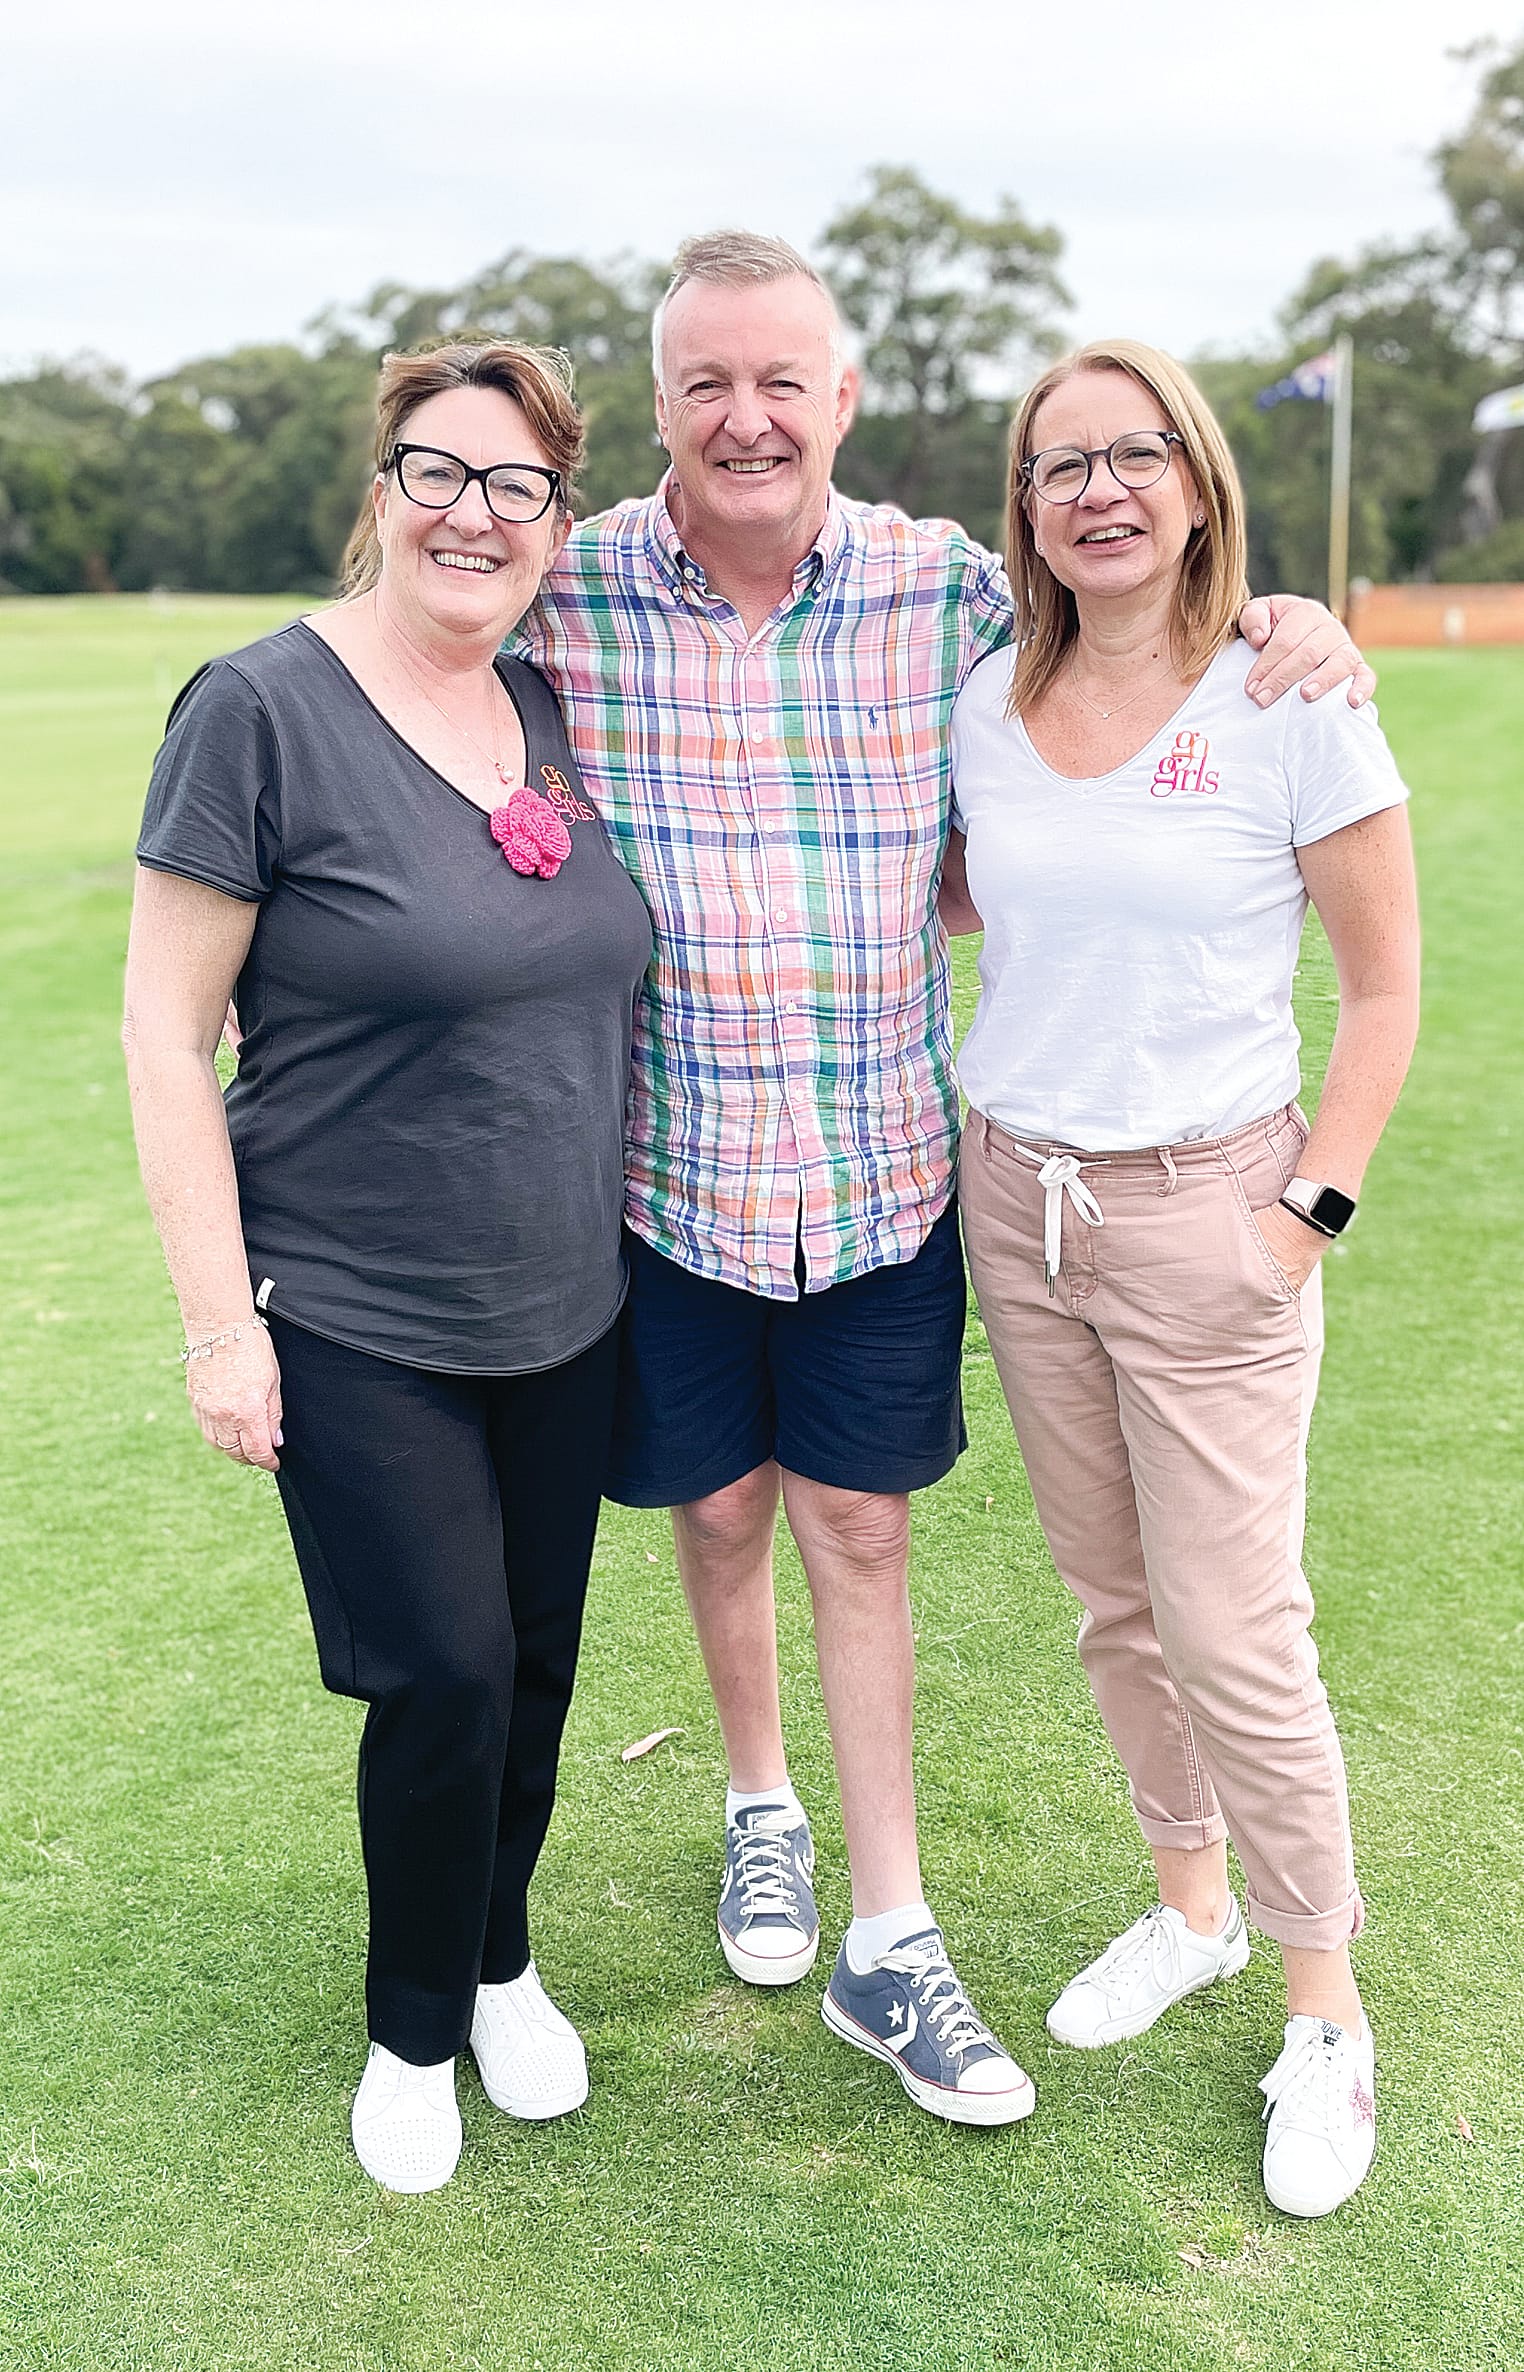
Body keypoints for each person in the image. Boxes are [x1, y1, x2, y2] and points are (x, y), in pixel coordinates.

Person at [515, 233, 1378, 2127]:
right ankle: (764, 1808)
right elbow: (403, 637)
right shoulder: (561, 594)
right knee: (724, 1511)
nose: (746, 418)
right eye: (704, 386)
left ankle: (893, 1942)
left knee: (869, 1530)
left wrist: (1279, 622)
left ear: (840, 398)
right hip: (667, 1172)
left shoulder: (940, 592)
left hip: (892, 1167)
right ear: (662, 408)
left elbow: (1131, 611)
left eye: (783, 383)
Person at [123, 341, 654, 2193]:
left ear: (553, 525)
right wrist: (217, 1328)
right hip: (352, 1310)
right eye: (441, 472)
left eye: (517, 488)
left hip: (566, 1303)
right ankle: (416, 2024)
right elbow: (162, 1031)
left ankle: (501, 1953)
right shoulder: (259, 708)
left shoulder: (549, 704)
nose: (475, 515)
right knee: (437, 1671)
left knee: (535, 1664)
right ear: (382, 488)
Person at [944, 339, 1419, 2211]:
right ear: (1029, 509)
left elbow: (1381, 987)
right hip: (1018, 1202)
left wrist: (1309, 1215)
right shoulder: (991, 696)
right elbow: (982, 892)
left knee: (1236, 1625)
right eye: (1063, 466)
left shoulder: (1293, 694)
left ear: (1199, 484)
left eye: (1135, 456)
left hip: (1209, 1209)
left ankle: (1327, 2012)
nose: (1099, 491)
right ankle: (1193, 1910)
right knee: (1115, 1604)